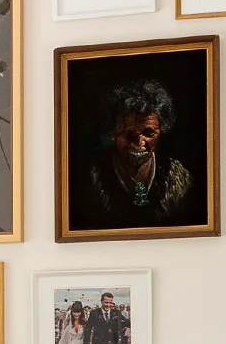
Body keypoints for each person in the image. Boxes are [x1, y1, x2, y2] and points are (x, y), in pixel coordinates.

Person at [67, 77, 201, 232]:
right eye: (129, 133)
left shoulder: (181, 179)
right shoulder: (88, 177)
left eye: (148, 132)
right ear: (113, 133)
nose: (139, 142)